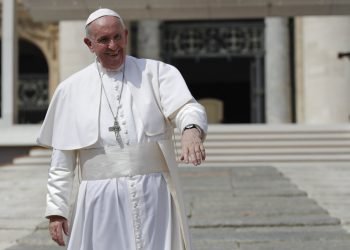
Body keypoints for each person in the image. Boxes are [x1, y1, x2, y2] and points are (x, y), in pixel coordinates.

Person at [37, 8, 207, 250]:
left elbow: (186, 108)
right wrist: (56, 210)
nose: (113, 45)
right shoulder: (70, 90)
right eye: (103, 40)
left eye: (117, 37)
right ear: (89, 43)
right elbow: (62, 159)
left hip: (153, 194)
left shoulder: (156, 73)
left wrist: (191, 129)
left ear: (126, 35)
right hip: (98, 200)